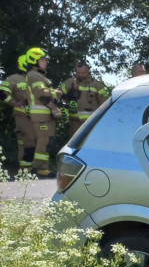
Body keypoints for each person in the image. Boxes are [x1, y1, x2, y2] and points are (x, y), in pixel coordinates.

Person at [25, 47, 62, 177]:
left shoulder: (40, 76)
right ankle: (38, 169)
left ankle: (42, 168)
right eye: (42, 60)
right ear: (34, 61)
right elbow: (42, 93)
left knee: (47, 141)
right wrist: (56, 93)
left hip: (46, 115)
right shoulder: (33, 75)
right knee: (43, 140)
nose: (45, 62)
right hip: (41, 116)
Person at [0, 54, 35, 170]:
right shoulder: (13, 78)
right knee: (27, 141)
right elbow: (2, 93)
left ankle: (30, 168)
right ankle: (26, 169)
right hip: (22, 115)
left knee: (36, 141)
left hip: (36, 116)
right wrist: (14, 102)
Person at [60, 61, 109, 138]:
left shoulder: (96, 85)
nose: (80, 75)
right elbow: (58, 93)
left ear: (88, 71)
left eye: (83, 73)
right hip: (74, 123)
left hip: (91, 123)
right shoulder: (70, 82)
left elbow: (105, 103)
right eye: (78, 73)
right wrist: (70, 87)